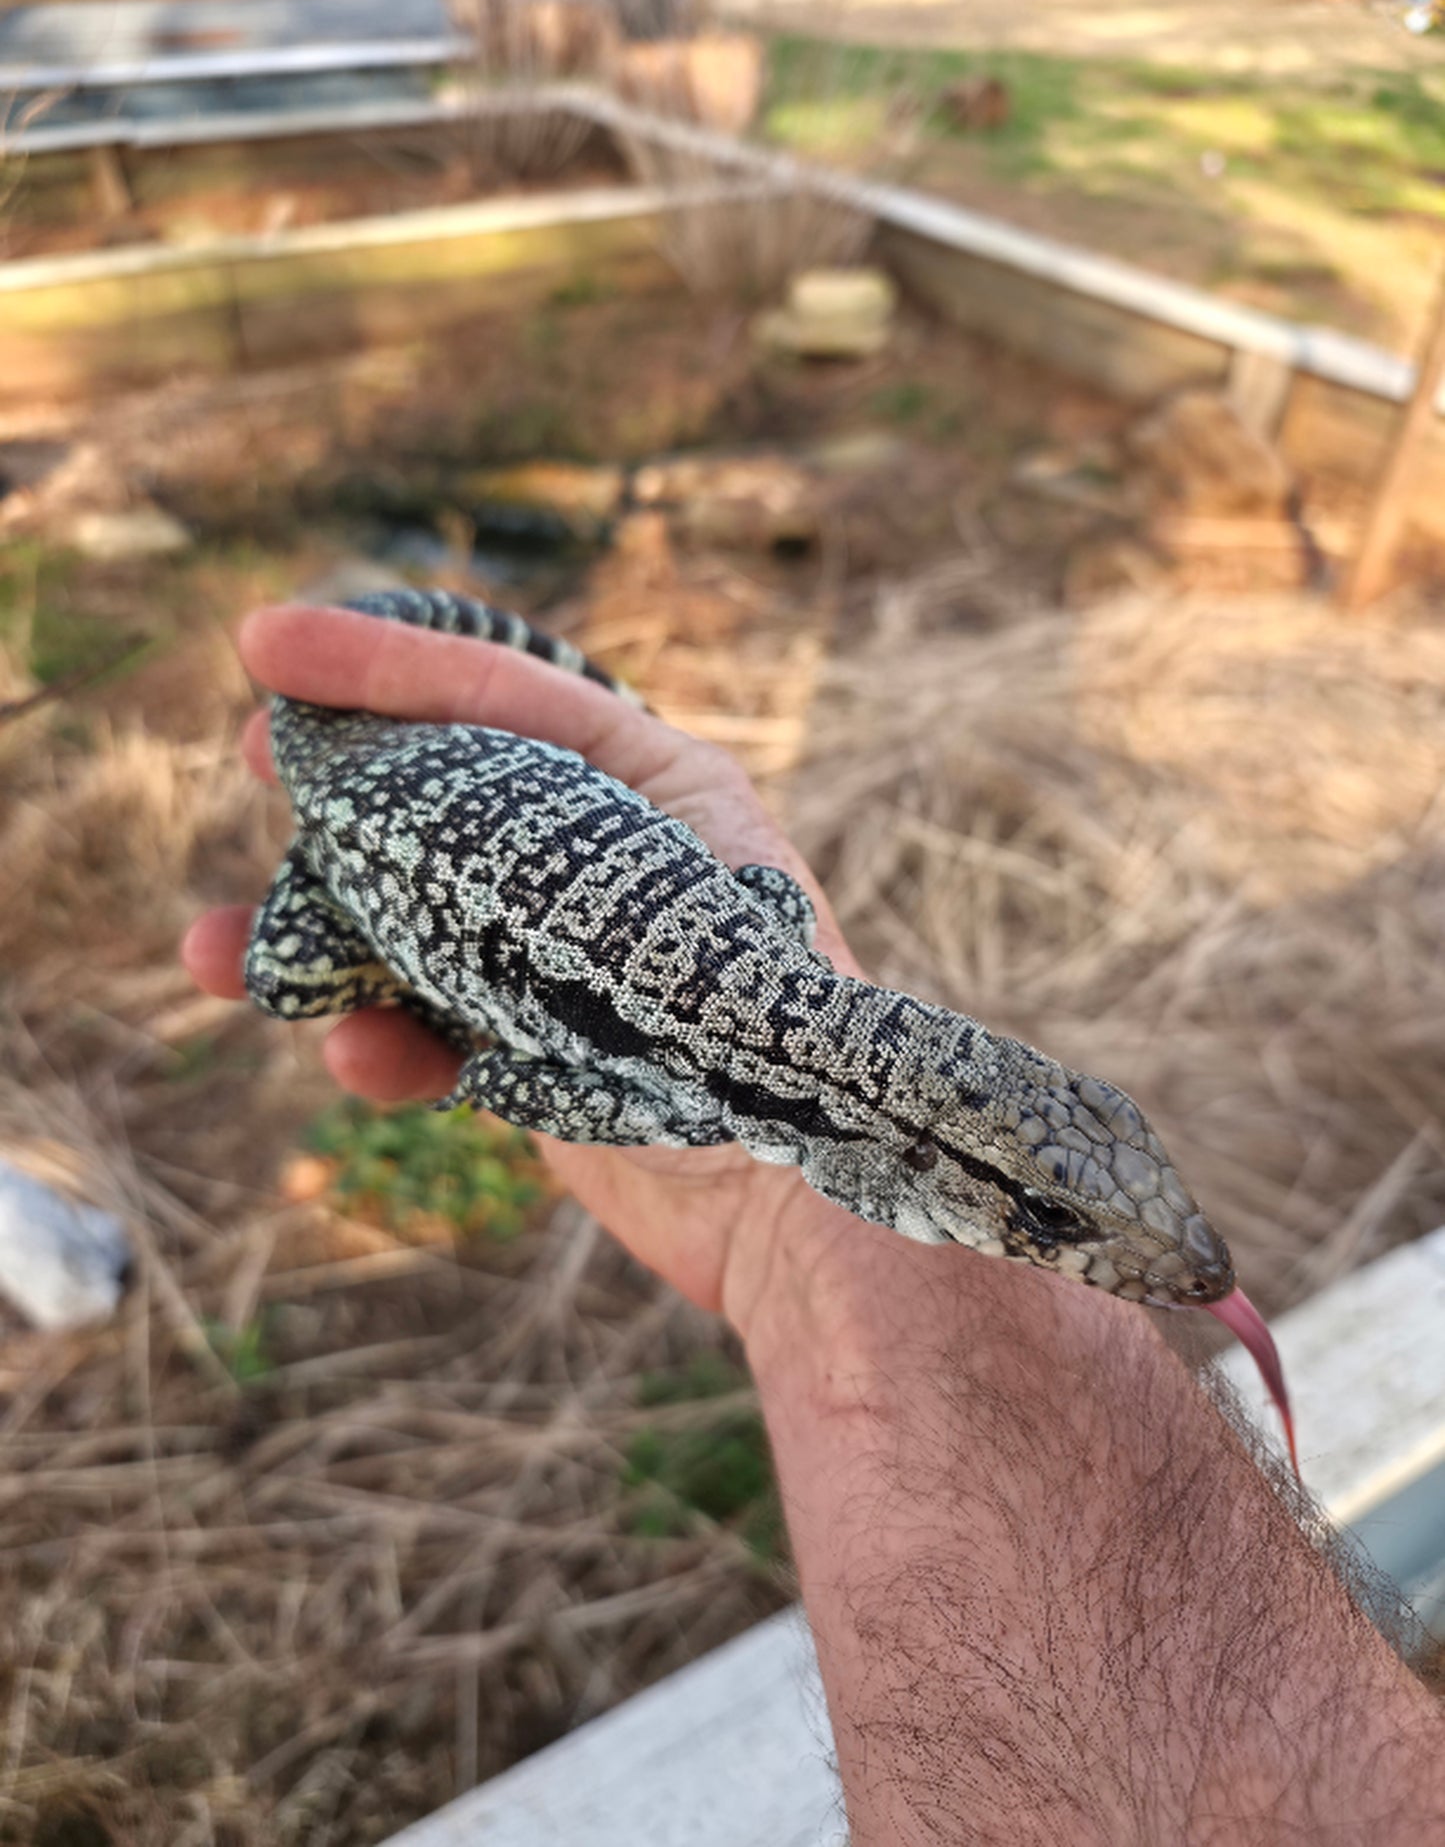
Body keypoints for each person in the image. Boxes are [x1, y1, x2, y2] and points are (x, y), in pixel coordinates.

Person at [185, 601, 1445, 1845]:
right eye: (1056, 1224)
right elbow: (506, 1081)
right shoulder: (683, 1100)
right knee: (287, 977)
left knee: (316, 966)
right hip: (366, 816)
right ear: (915, 1155)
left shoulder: (768, 922)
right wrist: (469, 1013)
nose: (1161, 1261)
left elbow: (651, 980)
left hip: (488, 777)